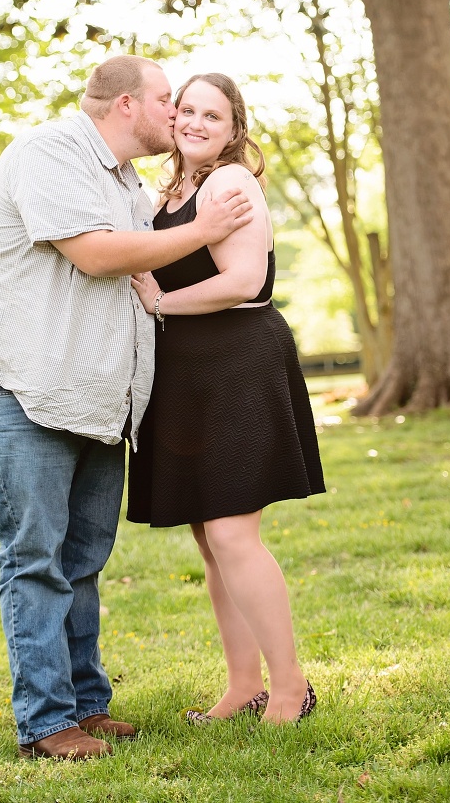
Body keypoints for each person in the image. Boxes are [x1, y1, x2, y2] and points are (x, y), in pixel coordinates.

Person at [0, 56, 253, 761]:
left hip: (98, 401)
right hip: (27, 393)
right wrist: (204, 227)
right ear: (129, 105)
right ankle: (47, 724)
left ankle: (85, 704)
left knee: (82, 560)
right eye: (168, 99)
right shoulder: (51, 151)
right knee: (38, 560)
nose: (178, 113)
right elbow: (97, 257)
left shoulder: (128, 183)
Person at [127, 72, 326, 725]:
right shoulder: (172, 189)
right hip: (188, 373)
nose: (194, 122)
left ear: (234, 129)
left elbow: (245, 280)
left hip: (238, 360)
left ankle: (291, 688)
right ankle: (243, 687)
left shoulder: (229, 182)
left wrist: (161, 301)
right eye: (185, 110)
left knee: (233, 532)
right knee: (211, 540)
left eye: (212, 115)